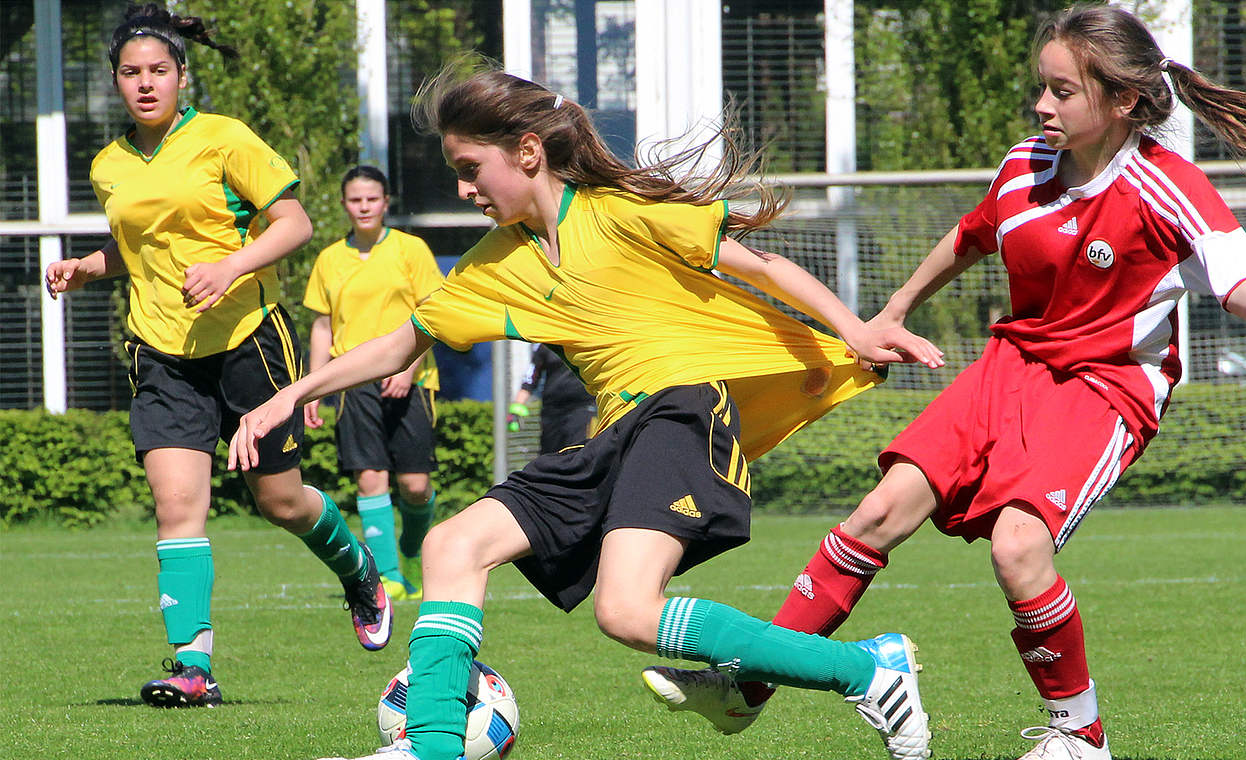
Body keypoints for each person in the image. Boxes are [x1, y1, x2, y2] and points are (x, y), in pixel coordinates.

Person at [642, 5, 1246, 760]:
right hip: (1014, 364)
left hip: (1106, 385)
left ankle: (1081, 736)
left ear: (1123, 101)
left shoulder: (1166, 184)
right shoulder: (1025, 164)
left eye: (1063, 92)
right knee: (878, 511)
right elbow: (972, 235)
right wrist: (896, 307)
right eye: (1043, 87)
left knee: (1018, 547)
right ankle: (746, 689)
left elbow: (1231, 260)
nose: (1043, 105)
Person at [229, 63, 945, 760]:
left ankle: (868, 673)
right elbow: (397, 345)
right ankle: (436, 748)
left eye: (472, 168)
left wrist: (856, 331)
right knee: (453, 548)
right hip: (614, 434)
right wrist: (292, 393)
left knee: (627, 608)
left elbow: (761, 266)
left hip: (682, 410)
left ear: (529, 152)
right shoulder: (494, 263)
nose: (463, 187)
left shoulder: (619, 214)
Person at [43, 3, 393, 709]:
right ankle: (192, 667)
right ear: (115, 81)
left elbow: (294, 223)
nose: (145, 84)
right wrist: (89, 265)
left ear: (181, 76)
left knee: (281, 501)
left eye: (158, 71)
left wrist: (232, 266)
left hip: (248, 340)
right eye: (131, 73)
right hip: (161, 349)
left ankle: (357, 569)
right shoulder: (109, 165)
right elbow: (141, 251)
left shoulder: (224, 138)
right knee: (176, 505)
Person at [303, 165, 446, 602]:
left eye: (372, 199)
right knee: (370, 477)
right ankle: (388, 576)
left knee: (415, 484)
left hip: (413, 378)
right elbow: (323, 326)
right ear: (345, 205)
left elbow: (436, 314)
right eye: (354, 199)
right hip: (353, 380)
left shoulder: (411, 249)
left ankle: (411, 547)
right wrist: (313, 385)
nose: (364, 206)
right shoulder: (329, 258)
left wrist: (407, 369)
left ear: (386, 203)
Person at [506, 343, 597, 454]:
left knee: (577, 453)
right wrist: (517, 407)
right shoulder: (546, 344)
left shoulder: (590, 338)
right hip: (552, 411)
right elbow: (530, 378)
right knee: (550, 457)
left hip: (583, 407)